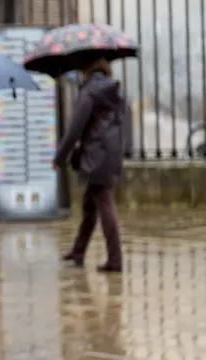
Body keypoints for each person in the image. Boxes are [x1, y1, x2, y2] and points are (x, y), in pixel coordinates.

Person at [55, 57, 127, 273]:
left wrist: (60, 158)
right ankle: (78, 250)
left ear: (86, 69)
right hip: (111, 153)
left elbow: (74, 129)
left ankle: (115, 259)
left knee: (104, 204)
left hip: (96, 155)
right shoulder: (115, 92)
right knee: (89, 204)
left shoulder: (89, 92)